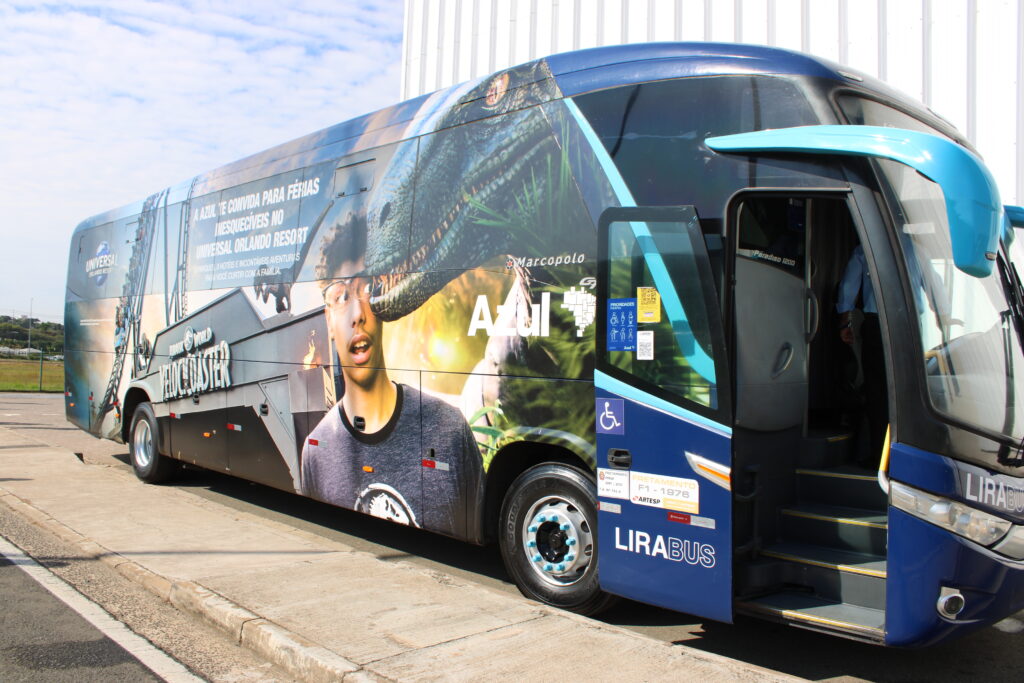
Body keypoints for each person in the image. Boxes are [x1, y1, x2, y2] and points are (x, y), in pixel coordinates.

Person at [300, 250, 483, 538]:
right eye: (340, 298)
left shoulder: (448, 428)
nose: (357, 314)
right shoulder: (316, 450)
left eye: (366, 289)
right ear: (328, 321)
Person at [836, 244, 888, 464]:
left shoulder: (865, 249)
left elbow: (849, 285)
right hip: (908, 327)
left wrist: (844, 323)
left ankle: (879, 456)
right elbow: (933, 284)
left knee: (876, 394)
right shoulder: (915, 246)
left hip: (876, 326)